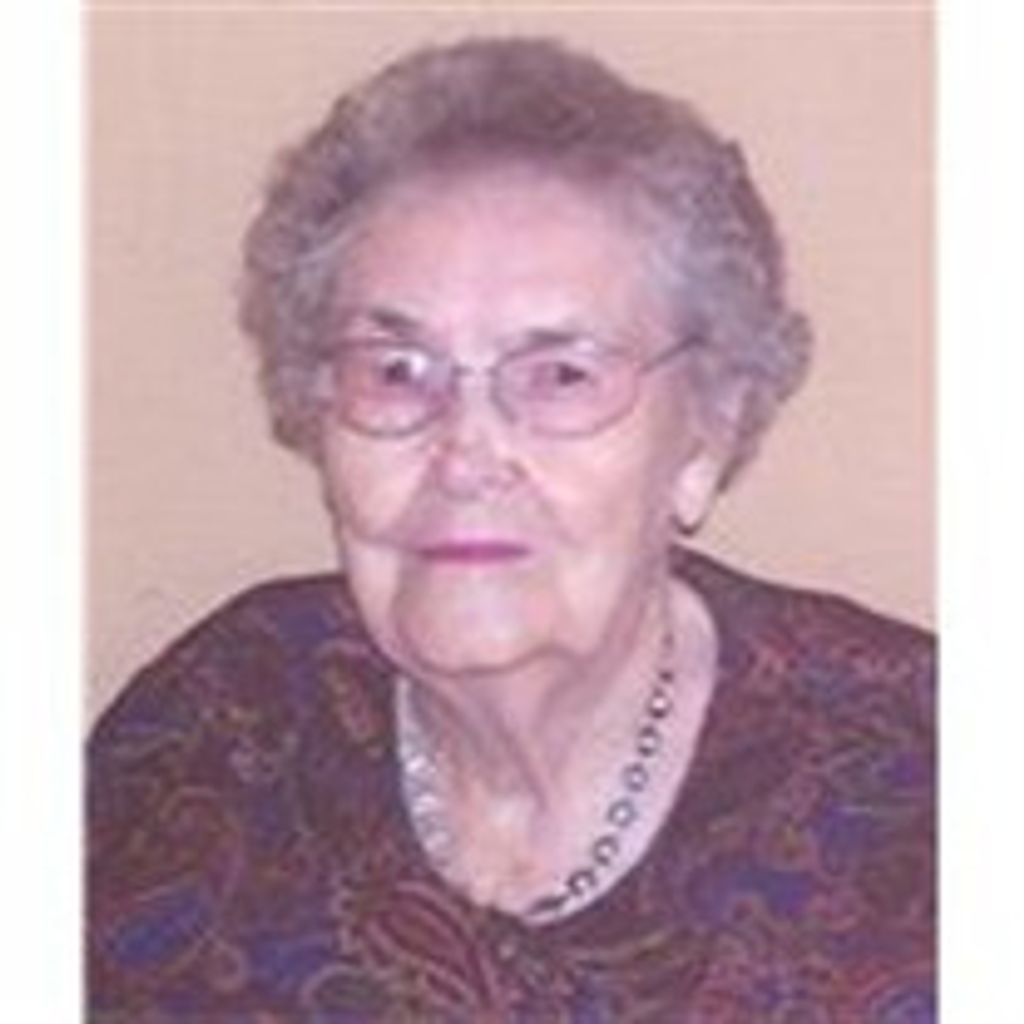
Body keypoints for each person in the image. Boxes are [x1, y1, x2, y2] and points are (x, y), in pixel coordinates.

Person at [87, 37, 934, 1022]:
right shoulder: (213, 726)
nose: (466, 453)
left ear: (703, 435)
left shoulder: (926, 784)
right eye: (396, 372)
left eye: (561, 375)